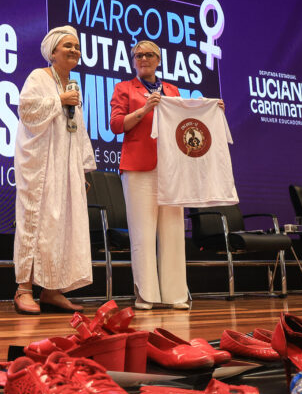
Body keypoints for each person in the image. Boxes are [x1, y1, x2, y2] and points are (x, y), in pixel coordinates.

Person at [109, 40, 221, 310]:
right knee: (143, 233)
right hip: (138, 168)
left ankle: (175, 295)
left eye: (149, 55)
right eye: (138, 55)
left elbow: (185, 123)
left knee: (173, 231)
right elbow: (116, 125)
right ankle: (146, 295)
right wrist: (144, 109)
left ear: (159, 60)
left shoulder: (173, 90)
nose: (143, 59)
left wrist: (210, 112)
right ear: (133, 60)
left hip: (172, 168)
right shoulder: (124, 88)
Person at [12, 25, 96, 314]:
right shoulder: (39, 76)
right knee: (36, 223)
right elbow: (26, 110)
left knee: (62, 226)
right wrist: (59, 101)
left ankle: (52, 290)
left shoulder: (73, 85)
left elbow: (78, 128)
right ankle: (24, 289)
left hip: (67, 167)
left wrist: (82, 169)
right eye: (67, 46)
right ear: (53, 51)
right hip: (41, 166)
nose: (74, 50)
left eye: (77, 46)